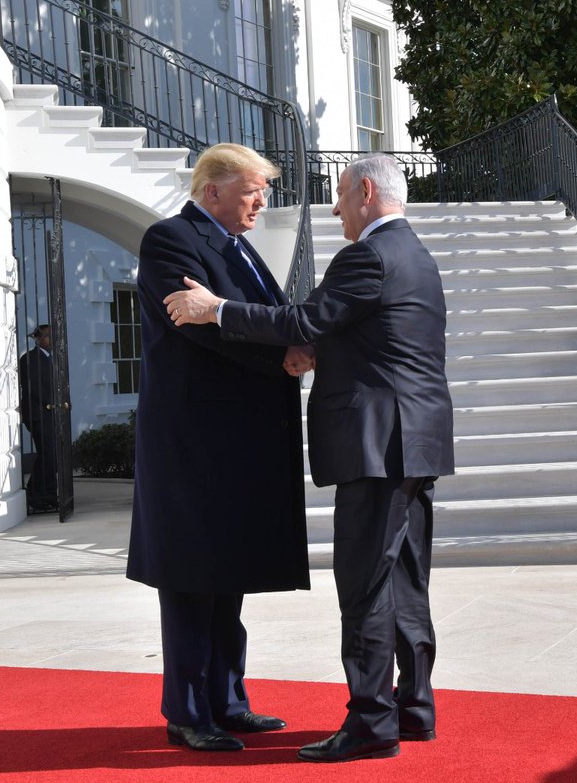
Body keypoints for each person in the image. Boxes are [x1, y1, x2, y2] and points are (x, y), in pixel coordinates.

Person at [164, 153, 455, 764]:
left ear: (367, 191)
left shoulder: (368, 255)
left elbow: (305, 319)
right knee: (405, 583)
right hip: (415, 442)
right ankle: (414, 708)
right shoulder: (416, 255)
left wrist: (214, 308)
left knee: (367, 588)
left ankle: (371, 722)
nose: (335, 208)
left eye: (343, 196)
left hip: (377, 447)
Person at [126, 143, 310, 753]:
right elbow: (201, 330)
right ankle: (187, 713)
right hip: (193, 446)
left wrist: (287, 338)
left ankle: (228, 703)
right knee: (190, 580)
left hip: (233, 443)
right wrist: (281, 352)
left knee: (225, 575)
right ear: (213, 191)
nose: (262, 201)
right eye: (253, 190)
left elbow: (247, 314)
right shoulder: (170, 240)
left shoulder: (238, 245)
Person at [18, 324, 58, 513]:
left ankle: (49, 494)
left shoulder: (53, 358)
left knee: (52, 455)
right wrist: (52, 402)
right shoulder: (29, 359)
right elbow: (34, 388)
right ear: (39, 339)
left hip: (51, 412)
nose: (53, 340)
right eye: (50, 336)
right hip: (37, 414)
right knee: (47, 453)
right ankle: (35, 494)